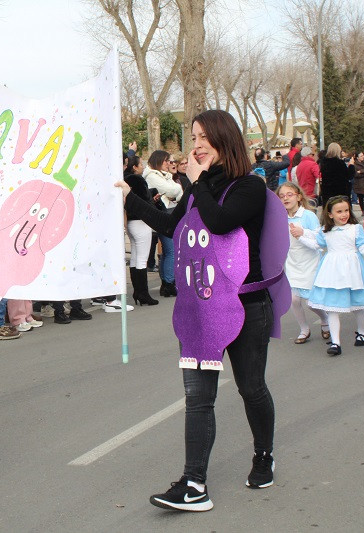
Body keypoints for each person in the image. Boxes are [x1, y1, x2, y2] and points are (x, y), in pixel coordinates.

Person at [117, 109, 282, 511]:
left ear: (225, 139)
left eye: (204, 137)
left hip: (246, 306)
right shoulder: (197, 187)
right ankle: (194, 483)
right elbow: (172, 225)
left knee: (251, 387)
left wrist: (195, 183)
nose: (196, 145)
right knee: (198, 398)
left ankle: (264, 455)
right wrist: (130, 199)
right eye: (193, 138)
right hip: (202, 310)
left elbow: (221, 222)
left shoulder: (250, 187)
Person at [300, 196, 364, 355]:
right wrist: (300, 237)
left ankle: (362, 331)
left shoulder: (355, 229)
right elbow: (316, 245)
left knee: (357, 305)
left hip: (353, 270)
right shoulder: (325, 231)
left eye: (346, 210)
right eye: (339, 211)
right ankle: (336, 343)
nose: (344, 214)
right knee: (332, 308)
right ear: (330, 214)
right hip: (332, 272)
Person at [278, 183, 330, 343]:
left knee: (312, 303)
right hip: (292, 262)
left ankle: (325, 320)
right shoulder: (280, 217)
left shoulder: (308, 216)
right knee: (293, 299)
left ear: (298, 196)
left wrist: (303, 233)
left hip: (310, 263)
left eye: (289, 194)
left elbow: (319, 239)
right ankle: (304, 329)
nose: (285, 198)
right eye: (282, 196)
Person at [143, 150, 183, 297]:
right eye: (167, 161)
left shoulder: (165, 176)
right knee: (171, 250)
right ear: (159, 161)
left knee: (168, 250)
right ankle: (168, 282)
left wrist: (175, 192)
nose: (169, 164)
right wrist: (175, 192)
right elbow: (173, 190)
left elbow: (178, 193)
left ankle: (167, 282)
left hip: (169, 212)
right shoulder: (153, 176)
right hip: (163, 214)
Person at [123, 155, 158, 306]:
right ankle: (142, 293)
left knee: (135, 257)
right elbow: (145, 200)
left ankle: (138, 291)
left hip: (130, 222)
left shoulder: (123, 179)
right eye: (140, 164)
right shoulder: (137, 180)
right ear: (135, 167)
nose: (143, 166)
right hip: (141, 221)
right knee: (141, 258)